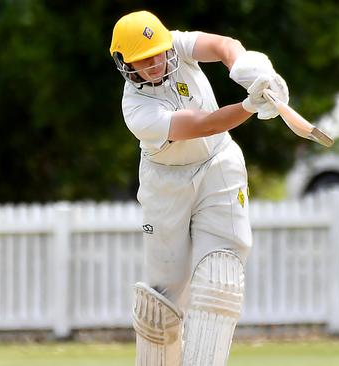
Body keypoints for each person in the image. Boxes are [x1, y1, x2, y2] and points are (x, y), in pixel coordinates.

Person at [109, 10, 289, 366]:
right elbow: (203, 124)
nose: (155, 64)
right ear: (124, 63)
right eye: (142, 61)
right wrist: (250, 105)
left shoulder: (173, 43)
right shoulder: (136, 107)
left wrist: (250, 70)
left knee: (220, 278)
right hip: (166, 185)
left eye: (157, 53)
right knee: (159, 306)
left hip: (218, 165)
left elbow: (223, 45)